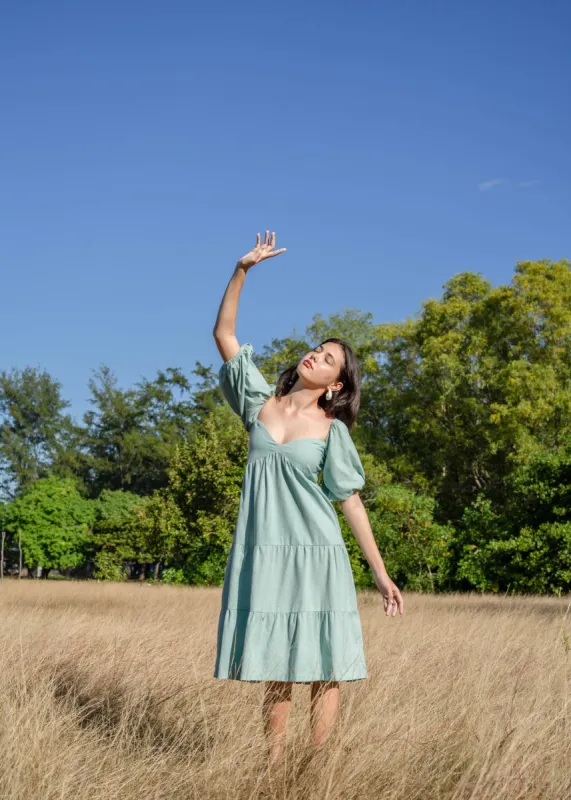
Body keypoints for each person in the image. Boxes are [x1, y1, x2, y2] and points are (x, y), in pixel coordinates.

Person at [212, 231, 404, 764]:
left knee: (324, 664)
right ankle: (272, 768)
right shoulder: (259, 402)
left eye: (327, 360)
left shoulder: (331, 432)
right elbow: (224, 333)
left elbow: (351, 503)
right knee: (276, 663)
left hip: (317, 553)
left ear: (337, 386)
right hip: (266, 552)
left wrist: (380, 574)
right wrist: (242, 269)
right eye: (316, 350)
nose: (314, 357)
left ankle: (318, 771)